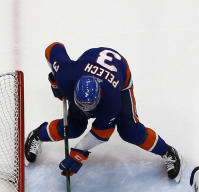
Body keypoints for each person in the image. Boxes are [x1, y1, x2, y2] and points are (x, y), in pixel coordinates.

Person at [23, 42, 181, 182]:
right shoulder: (67, 74)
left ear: (99, 96)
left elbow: (102, 133)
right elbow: (53, 48)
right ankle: (37, 135)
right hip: (88, 62)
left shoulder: (112, 100)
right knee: (73, 127)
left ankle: (168, 151)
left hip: (120, 74)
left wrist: (78, 152)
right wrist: (57, 82)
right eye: (80, 104)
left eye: (90, 105)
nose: (86, 109)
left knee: (130, 130)